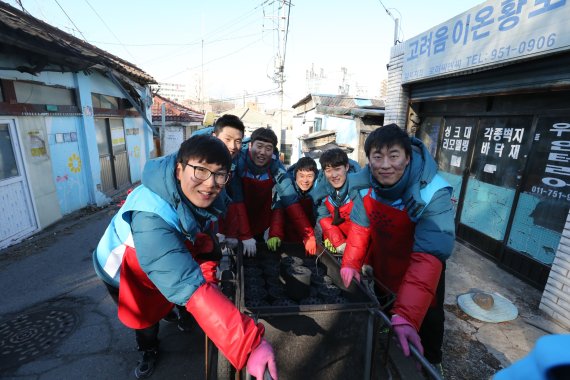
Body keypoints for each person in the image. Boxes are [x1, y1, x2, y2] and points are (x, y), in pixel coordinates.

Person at [93, 134, 278, 379]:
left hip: (167, 260)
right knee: (145, 318)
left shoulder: (202, 193)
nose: (210, 183)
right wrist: (250, 344)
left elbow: (205, 242)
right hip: (125, 268)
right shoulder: (150, 218)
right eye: (201, 170)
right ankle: (149, 350)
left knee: (176, 294)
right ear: (180, 170)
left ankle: (174, 312)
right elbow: (185, 283)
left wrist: (210, 281)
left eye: (219, 174)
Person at [339, 124, 455, 371]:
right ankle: (391, 331)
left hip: (423, 268)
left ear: (407, 157)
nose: (385, 165)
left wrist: (409, 315)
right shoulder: (365, 185)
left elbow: (429, 255)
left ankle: (433, 364)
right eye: (377, 157)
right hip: (386, 262)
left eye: (394, 156)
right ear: (368, 160)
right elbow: (360, 227)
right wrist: (350, 262)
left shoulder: (433, 192)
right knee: (386, 301)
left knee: (429, 322)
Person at [227, 127, 317, 256]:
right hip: (236, 217)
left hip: (259, 220)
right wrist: (245, 235)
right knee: (235, 257)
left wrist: (308, 235)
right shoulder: (238, 162)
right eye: (259, 146)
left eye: (268, 148)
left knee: (256, 254)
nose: (262, 152)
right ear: (251, 145)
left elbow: (290, 201)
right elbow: (237, 199)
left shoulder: (276, 167)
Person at [312, 148, 360, 254]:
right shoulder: (321, 190)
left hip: (361, 244)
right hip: (337, 244)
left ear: (346, 167)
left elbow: (365, 225)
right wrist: (337, 241)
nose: (334, 175)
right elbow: (323, 216)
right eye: (328, 171)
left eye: (337, 169)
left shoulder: (360, 188)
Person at [268, 156, 318, 247]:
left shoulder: (318, 191)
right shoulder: (285, 188)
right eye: (301, 176)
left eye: (309, 176)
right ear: (295, 175)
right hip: (285, 238)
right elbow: (278, 213)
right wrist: (275, 234)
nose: (305, 180)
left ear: (315, 177)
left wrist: (328, 237)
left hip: (308, 239)